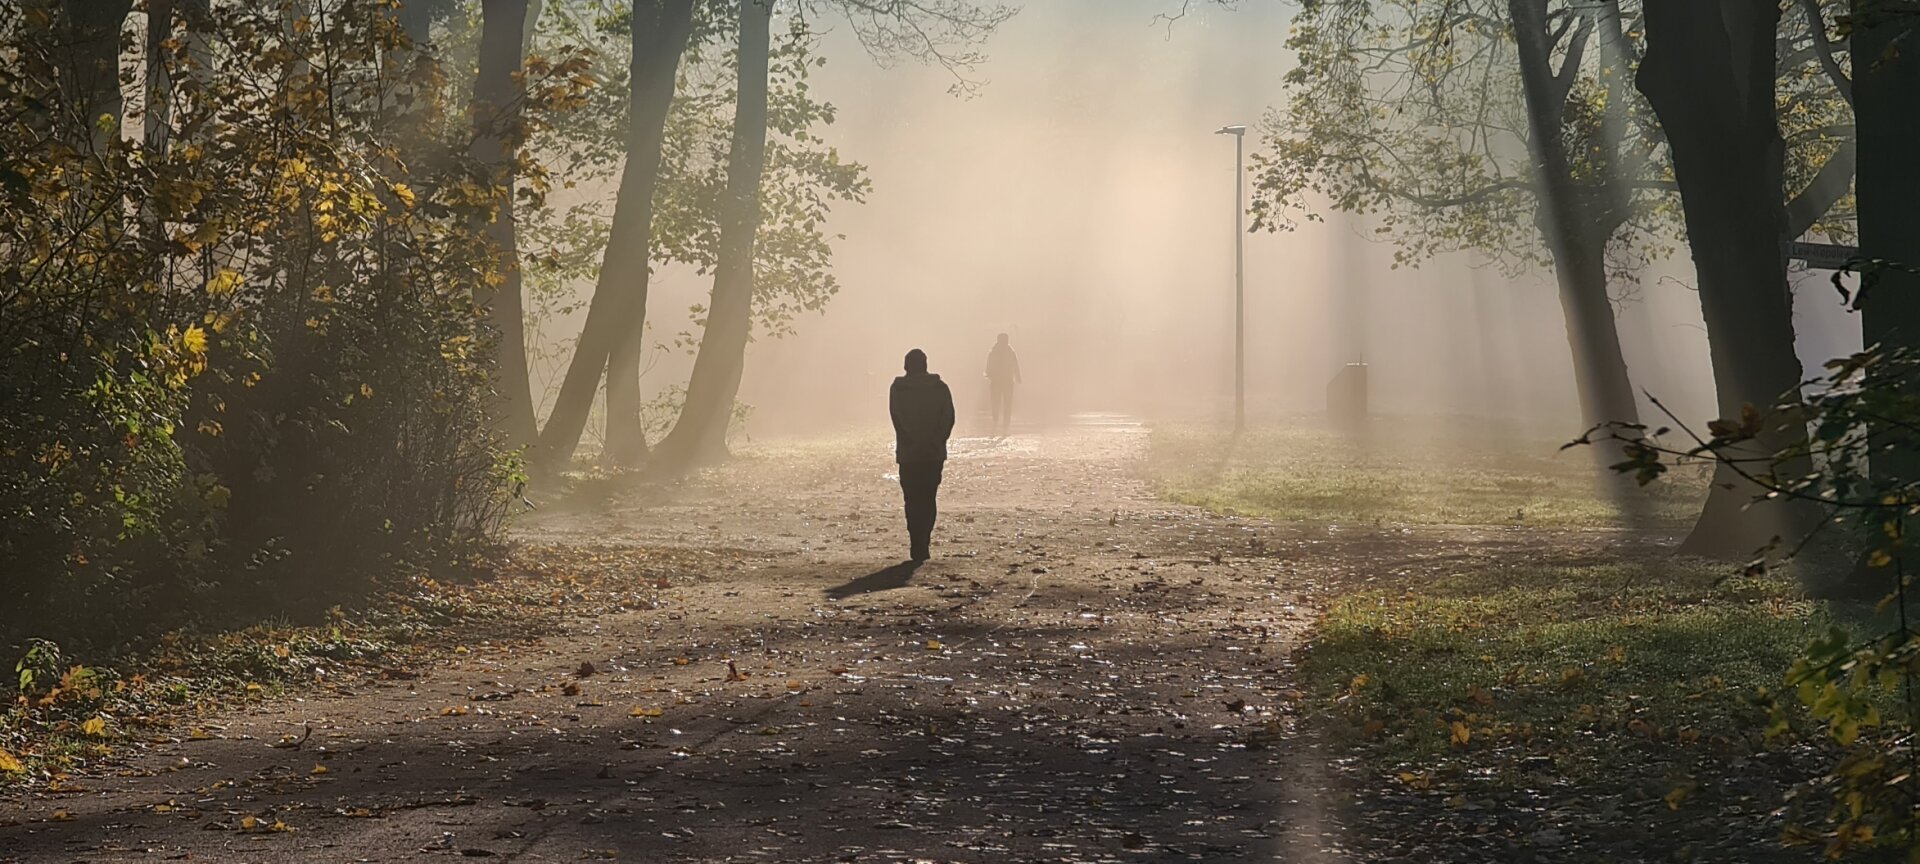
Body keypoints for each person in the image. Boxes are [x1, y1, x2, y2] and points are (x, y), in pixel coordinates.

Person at [890, 349, 955, 562]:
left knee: (911, 498)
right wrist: (937, 440)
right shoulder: (940, 388)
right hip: (933, 453)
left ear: (906, 366)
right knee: (928, 498)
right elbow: (948, 418)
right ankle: (924, 540)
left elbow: (897, 418)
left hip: (909, 453)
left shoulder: (898, 389)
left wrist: (910, 441)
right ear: (925, 365)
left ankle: (915, 539)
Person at [984, 333, 1022, 435]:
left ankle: (1000, 422)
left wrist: (989, 374)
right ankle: (1001, 422)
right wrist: (1018, 377)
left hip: (1000, 381)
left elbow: (989, 365)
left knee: (1000, 402)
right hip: (1004, 380)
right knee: (1004, 402)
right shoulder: (1007, 351)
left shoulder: (995, 351)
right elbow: (1015, 364)